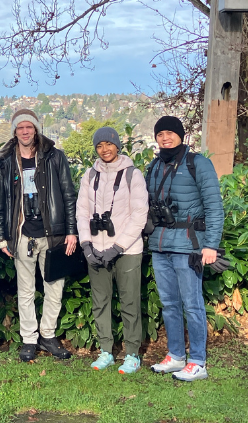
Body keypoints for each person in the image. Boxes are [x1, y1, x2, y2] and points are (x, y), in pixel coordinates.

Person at [0, 109, 78, 362]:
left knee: (54, 288)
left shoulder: (54, 156)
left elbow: (68, 195)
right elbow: (2, 202)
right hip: (22, 236)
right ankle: (29, 339)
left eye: (29, 127)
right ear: (14, 131)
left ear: (36, 129)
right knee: (25, 291)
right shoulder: (6, 160)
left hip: (53, 234)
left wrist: (71, 231)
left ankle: (48, 336)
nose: (25, 131)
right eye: (20, 128)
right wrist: (2, 237)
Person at [146, 116, 224, 382]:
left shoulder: (198, 163)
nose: (165, 138)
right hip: (160, 244)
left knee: (192, 305)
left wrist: (211, 245)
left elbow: (214, 207)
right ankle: (176, 355)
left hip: (189, 245)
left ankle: (198, 361)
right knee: (169, 304)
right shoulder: (154, 166)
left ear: (181, 135)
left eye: (170, 133)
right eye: (160, 134)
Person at [76, 127, 149, 373]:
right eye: (99, 146)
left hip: (127, 250)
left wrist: (118, 247)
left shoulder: (132, 174)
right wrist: (86, 245)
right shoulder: (89, 175)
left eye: (109, 144)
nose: (104, 149)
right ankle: (106, 350)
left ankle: (132, 354)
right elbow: (82, 212)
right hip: (96, 248)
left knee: (129, 302)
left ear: (117, 145)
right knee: (100, 302)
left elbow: (139, 215)